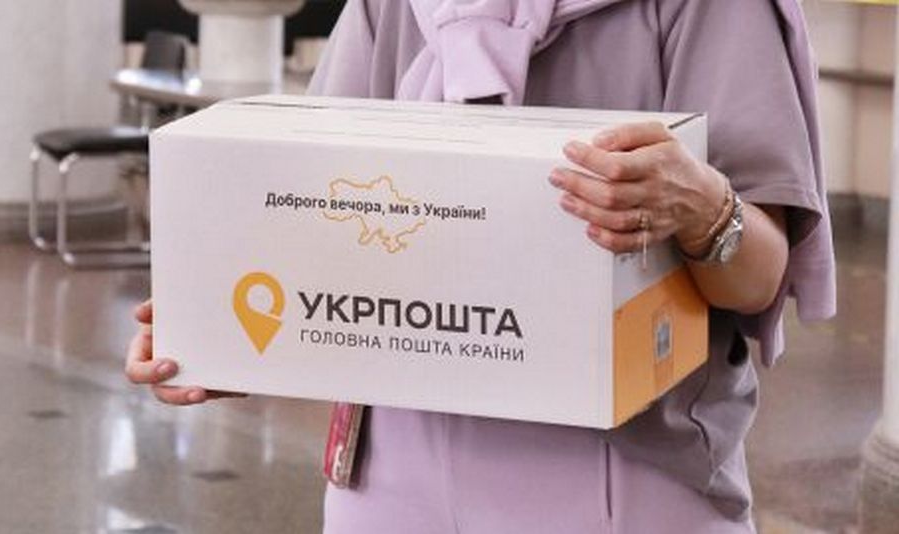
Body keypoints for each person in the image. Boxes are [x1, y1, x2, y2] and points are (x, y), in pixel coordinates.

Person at [125, 1, 836, 532]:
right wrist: (221, 336)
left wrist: (706, 209)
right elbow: (320, 216)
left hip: (628, 468)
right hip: (391, 468)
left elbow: (759, 279)